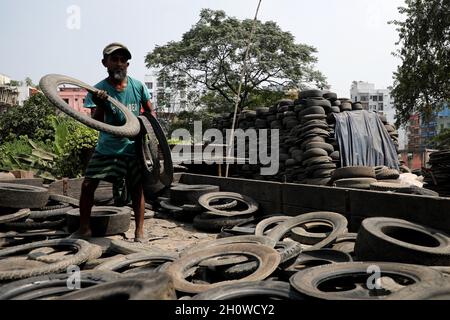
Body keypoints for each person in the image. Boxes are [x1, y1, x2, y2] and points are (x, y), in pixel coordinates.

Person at [70, 42, 156, 242]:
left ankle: (139, 231)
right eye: (114, 59)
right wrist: (101, 105)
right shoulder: (98, 89)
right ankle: (84, 229)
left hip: (132, 147)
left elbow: (150, 112)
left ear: (127, 64)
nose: (119, 63)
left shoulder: (138, 86)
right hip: (107, 147)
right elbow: (96, 122)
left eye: (123, 60)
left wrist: (147, 126)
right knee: (88, 185)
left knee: (136, 189)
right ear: (105, 63)